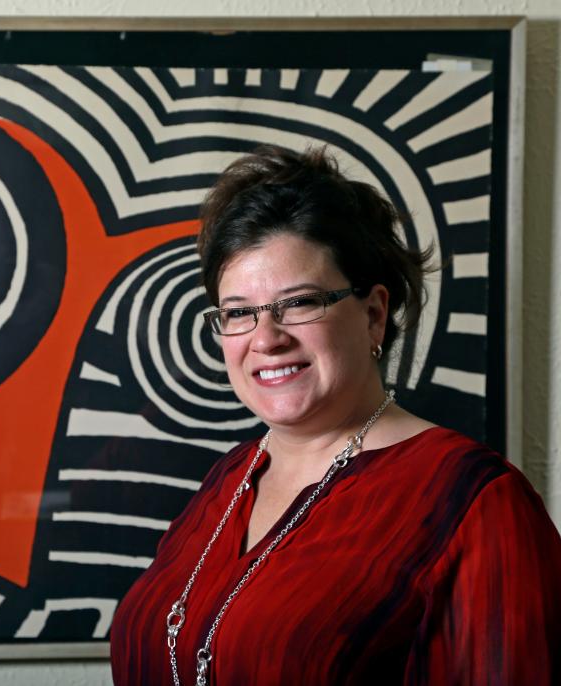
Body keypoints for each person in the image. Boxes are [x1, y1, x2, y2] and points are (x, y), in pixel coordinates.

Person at [109, 145, 561, 685]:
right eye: (238, 313)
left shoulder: (474, 502)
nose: (266, 338)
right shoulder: (228, 479)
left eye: (299, 303)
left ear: (374, 314)